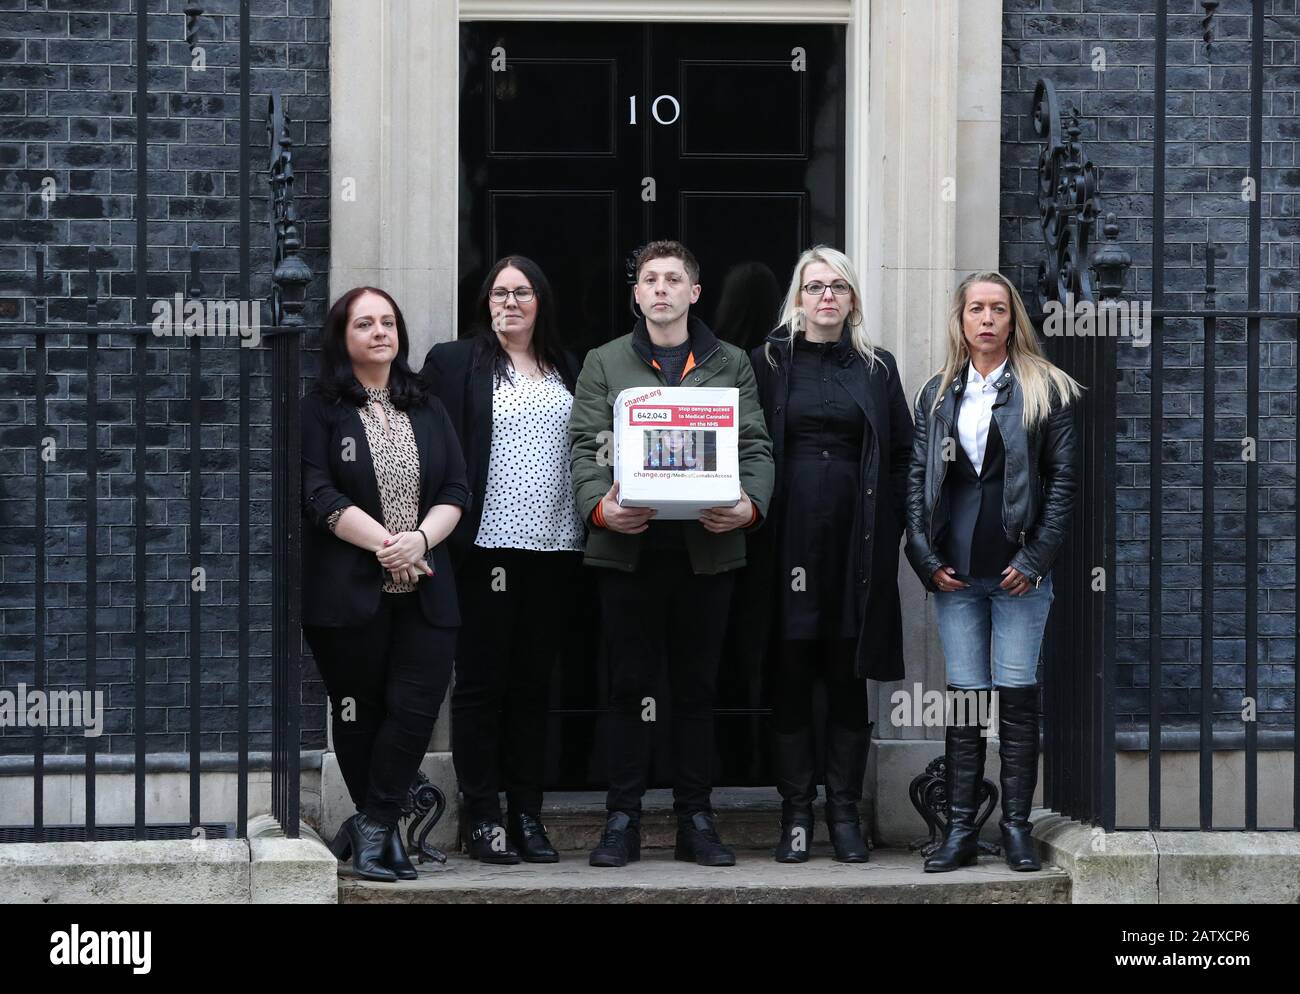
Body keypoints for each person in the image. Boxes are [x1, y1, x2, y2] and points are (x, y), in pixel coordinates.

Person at [568, 239, 774, 868]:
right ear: (636, 294)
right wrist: (601, 507)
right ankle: (622, 820)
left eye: (673, 279)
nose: (660, 288)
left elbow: (756, 446)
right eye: (649, 280)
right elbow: (583, 445)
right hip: (626, 551)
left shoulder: (730, 361)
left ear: (694, 292)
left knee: (696, 691)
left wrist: (750, 506)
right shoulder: (604, 361)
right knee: (628, 687)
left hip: (706, 550)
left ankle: (697, 820)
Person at [905, 271, 1079, 872]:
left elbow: (1062, 486)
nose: (986, 319)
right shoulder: (936, 393)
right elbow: (917, 481)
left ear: (1013, 320)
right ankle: (957, 830)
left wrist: (1035, 560)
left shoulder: (1044, 388)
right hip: (955, 573)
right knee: (965, 703)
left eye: (997, 310)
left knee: (1018, 698)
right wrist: (924, 559)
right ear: (960, 319)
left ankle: (1014, 828)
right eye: (975, 308)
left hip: (1017, 575)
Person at [749, 246, 913, 863]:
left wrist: (893, 522)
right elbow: (745, 442)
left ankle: (843, 811)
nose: (827, 298)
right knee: (790, 667)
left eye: (838, 288)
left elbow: (902, 453)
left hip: (857, 537)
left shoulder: (877, 367)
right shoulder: (768, 361)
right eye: (815, 287)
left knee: (847, 671)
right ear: (798, 297)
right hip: (787, 535)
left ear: (852, 299)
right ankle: (796, 811)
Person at [301, 287, 470, 882]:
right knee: (360, 713)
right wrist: (385, 545)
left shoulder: (426, 404)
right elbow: (319, 494)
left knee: (415, 710)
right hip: (348, 592)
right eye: (364, 324)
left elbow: (455, 489)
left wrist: (417, 543)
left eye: (388, 322)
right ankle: (383, 835)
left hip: (425, 582)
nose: (380, 332)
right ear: (342, 338)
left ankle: (371, 825)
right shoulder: (322, 406)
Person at [421, 256, 584, 864]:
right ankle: (483, 815)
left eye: (521, 292)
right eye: (498, 292)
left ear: (541, 300)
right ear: (484, 301)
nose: (509, 302)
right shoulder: (456, 362)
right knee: (482, 686)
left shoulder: (570, 365)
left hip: (556, 548)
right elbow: (426, 446)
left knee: (533, 687)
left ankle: (528, 814)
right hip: (484, 548)